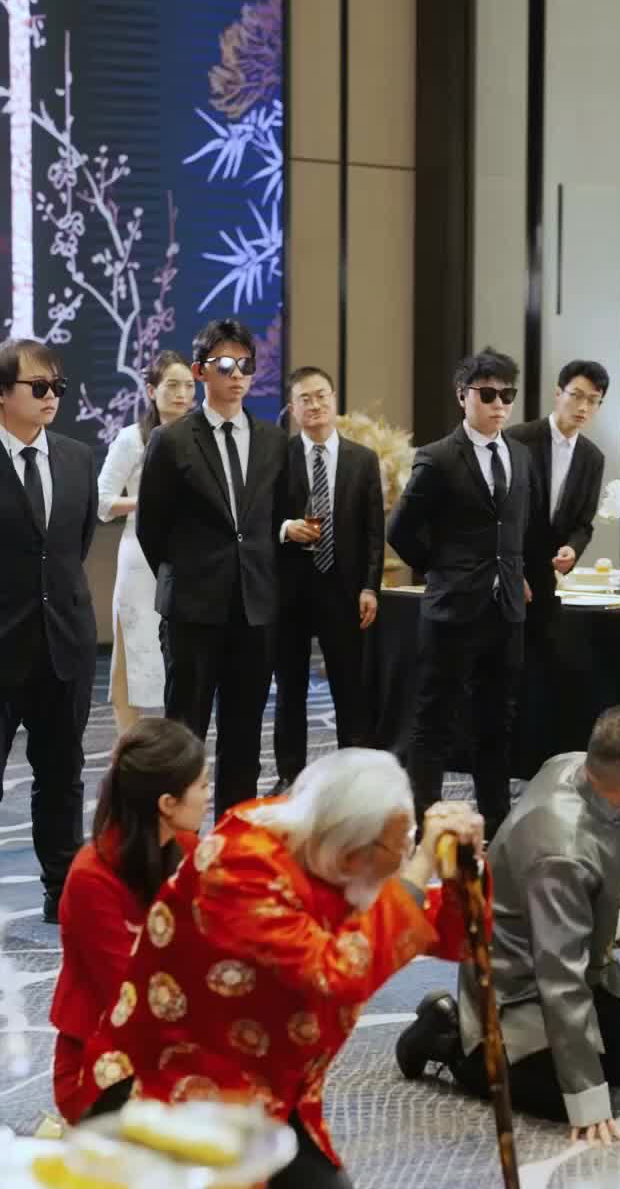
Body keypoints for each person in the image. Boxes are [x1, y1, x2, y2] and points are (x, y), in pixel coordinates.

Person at [81, 752, 484, 1189]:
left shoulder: (333, 847)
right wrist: (418, 870)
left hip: (265, 1081)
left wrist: (462, 872)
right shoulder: (239, 863)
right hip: (174, 1080)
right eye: (399, 847)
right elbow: (334, 976)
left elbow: (455, 936)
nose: (404, 859)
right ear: (351, 853)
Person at [396, 704, 620, 1143]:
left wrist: (612, 919)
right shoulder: (562, 852)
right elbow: (558, 978)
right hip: (519, 980)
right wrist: (585, 1096)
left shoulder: (577, 765)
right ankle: (447, 1036)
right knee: (562, 1099)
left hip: (562, 936)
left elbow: (581, 875)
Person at [136, 316, 288, 820]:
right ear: (201, 371)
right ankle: (175, 843)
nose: (237, 374)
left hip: (254, 610)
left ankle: (233, 845)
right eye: (225, 364)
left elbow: (275, 521)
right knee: (184, 736)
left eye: (246, 364)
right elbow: (151, 530)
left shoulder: (273, 441)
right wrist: (189, 576)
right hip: (193, 610)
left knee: (245, 737)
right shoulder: (172, 440)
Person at [386, 345, 530, 840]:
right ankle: (423, 824)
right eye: (487, 395)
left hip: (505, 610)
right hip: (452, 609)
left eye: (507, 395)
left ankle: (496, 823)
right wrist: (441, 570)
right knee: (434, 721)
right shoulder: (439, 457)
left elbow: (515, 528)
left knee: (497, 722)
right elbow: (400, 530)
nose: (499, 405)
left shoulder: (520, 455)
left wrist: (515, 572)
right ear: (462, 395)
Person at [51, 720, 209, 1122]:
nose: (209, 796)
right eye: (203, 785)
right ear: (168, 803)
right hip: (104, 1062)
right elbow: (128, 995)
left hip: (173, 1039)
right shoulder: (91, 877)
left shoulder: (187, 847)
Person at [0, 338, 97, 922]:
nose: (51, 397)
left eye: (57, 387)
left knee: (62, 774)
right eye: (38, 387)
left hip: (64, 644)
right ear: (2, 393)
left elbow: (71, 548)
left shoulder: (78, 458)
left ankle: (62, 891)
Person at [271, 365, 384, 792]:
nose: (315, 405)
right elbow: (260, 517)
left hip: (345, 589)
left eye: (321, 396)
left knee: (350, 688)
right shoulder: (279, 457)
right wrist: (286, 528)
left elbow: (374, 532)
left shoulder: (362, 459)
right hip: (291, 591)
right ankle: (290, 775)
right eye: (305, 399)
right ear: (292, 408)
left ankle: (354, 776)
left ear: (334, 401)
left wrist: (370, 585)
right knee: (290, 689)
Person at [510, 359, 608, 771]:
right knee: (504, 669)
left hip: (547, 577)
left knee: (542, 669)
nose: (583, 407)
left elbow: (583, 523)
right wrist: (512, 570)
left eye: (593, 400)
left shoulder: (592, 457)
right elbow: (501, 514)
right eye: (577, 396)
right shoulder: (518, 440)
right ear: (558, 393)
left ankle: (533, 760)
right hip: (508, 569)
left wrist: (572, 548)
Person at [98, 353, 196, 733]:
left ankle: (179, 744)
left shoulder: (200, 437)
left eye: (189, 385)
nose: (182, 393)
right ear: (152, 390)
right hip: (139, 559)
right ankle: (131, 745)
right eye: (172, 385)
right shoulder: (132, 438)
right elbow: (102, 502)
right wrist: (148, 501)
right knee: (136, 655)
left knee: (184, 658)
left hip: (190, 556)